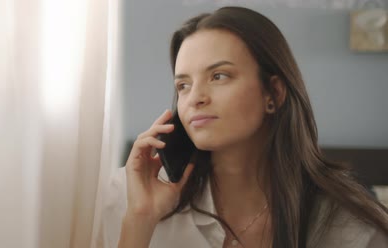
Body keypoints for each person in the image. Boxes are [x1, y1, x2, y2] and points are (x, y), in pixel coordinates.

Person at [97, 6, 388, 248]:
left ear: (272, 94)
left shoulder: (352, 227)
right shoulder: (128, 196)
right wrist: (140, 218)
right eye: (183, 85)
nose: (195, 98)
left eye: (219, 76)